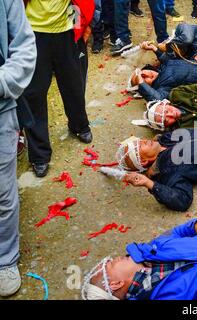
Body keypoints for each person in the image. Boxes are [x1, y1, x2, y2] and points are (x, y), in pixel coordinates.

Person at [24, 0, 93, 178]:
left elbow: (80, 2)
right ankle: (39, 154)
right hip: (33, 31)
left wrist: (82, 27)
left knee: (73, 84)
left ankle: (79, 125)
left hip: (67, 28)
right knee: (34, 94)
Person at [0, 0, 36, 297]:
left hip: (0, 110)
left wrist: (3, 81)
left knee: (2, 192)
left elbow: (24, 46)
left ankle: (5, 260)